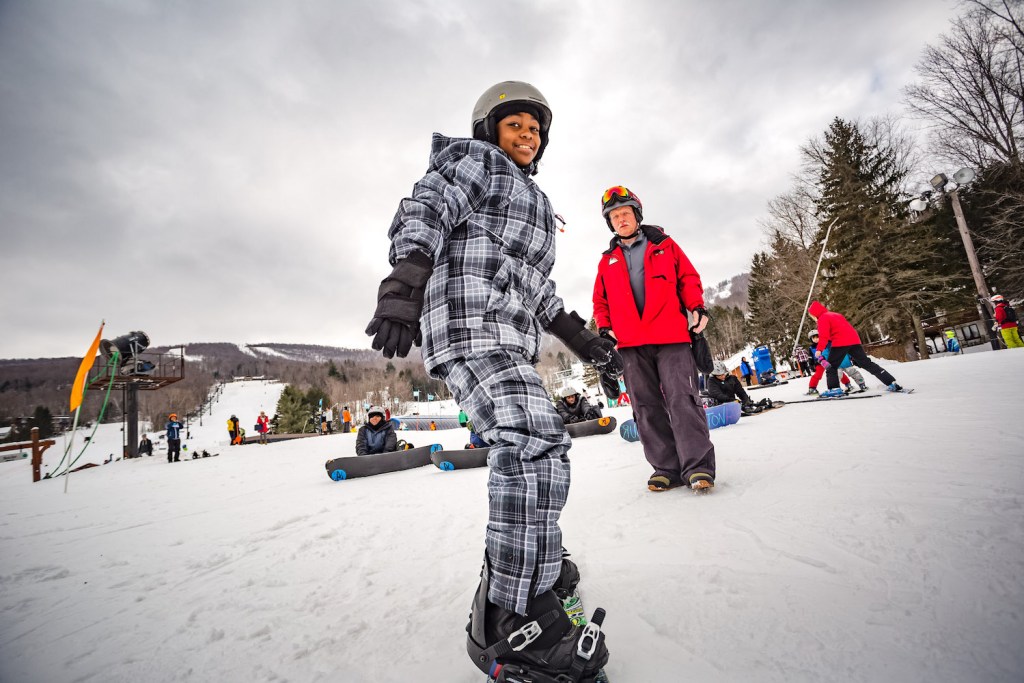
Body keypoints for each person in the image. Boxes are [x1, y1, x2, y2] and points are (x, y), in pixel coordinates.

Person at [364, 81, 612, 679]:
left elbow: (535, 287)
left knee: (542, 437)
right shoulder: (477, 163)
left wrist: (587, 342)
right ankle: (511, 612)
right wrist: (404, 281)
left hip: (509, 334)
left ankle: (536, 565)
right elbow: (429, 205)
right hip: (468, 322)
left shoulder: (534, 203)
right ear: (489, 130)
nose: (527, 137)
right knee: (530, 435)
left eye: (535, 130)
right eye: (515, 126)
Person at [592, 185, 715, 494]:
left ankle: (698, 466)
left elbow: (688, 278)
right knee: (645, 406)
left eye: (625, 213)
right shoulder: (607, 261)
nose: (621, 220)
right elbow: (600, 302)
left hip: (671, 336)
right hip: (631, 344)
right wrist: (605, 329)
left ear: (637, 215)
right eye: (615, 216)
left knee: (682, 399)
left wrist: (696, 307)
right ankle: (666, 468)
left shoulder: (665, 245)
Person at [808, 301, 904, 396]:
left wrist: (819, 350)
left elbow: (824, 336)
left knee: (831, 366)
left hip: (840, 342)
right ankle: (891, 383)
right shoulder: (835, 314)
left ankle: (834, 389)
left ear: (814, 313)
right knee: (866, 363)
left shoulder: (822, 318)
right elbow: (843, 328)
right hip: (854, 340)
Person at [804, 330, 865, 395]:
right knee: (818, 375)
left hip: (831, 361)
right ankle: (812, 388)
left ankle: (847, 384)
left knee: (838, 372)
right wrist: (811, 364)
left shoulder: (826, 343)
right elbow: (811, 357)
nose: (816, 339)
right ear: (811, 339)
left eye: (817, 337)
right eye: (814, 338)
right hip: (820, 363)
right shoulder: (811, 347)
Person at [706, 361, 772, 414]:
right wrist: (732, 400)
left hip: (732, 403)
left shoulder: (732, 378)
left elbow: (740, 391)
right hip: (719, 406)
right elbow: (716, 394)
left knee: (745, 403)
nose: (722, 376)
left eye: (723, 374)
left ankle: (751, 405)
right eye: (719, 376)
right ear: (714, 375)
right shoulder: (711, 381)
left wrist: (746, 400)